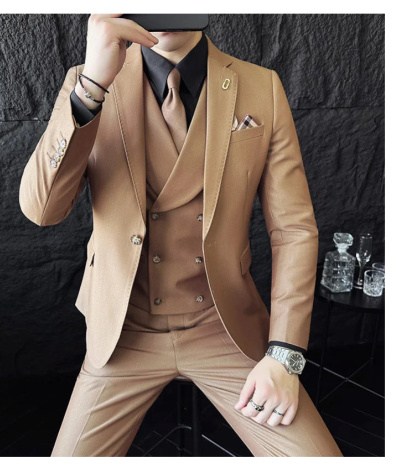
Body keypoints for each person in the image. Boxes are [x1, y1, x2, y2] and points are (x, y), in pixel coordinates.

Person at [19, 14, 344, 457]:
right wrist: (92, 86)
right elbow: (41, 209)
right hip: (123, 333)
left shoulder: (260, 85)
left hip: (223, 327)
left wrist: (285, 355)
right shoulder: (88, 79)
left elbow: (293, 230)